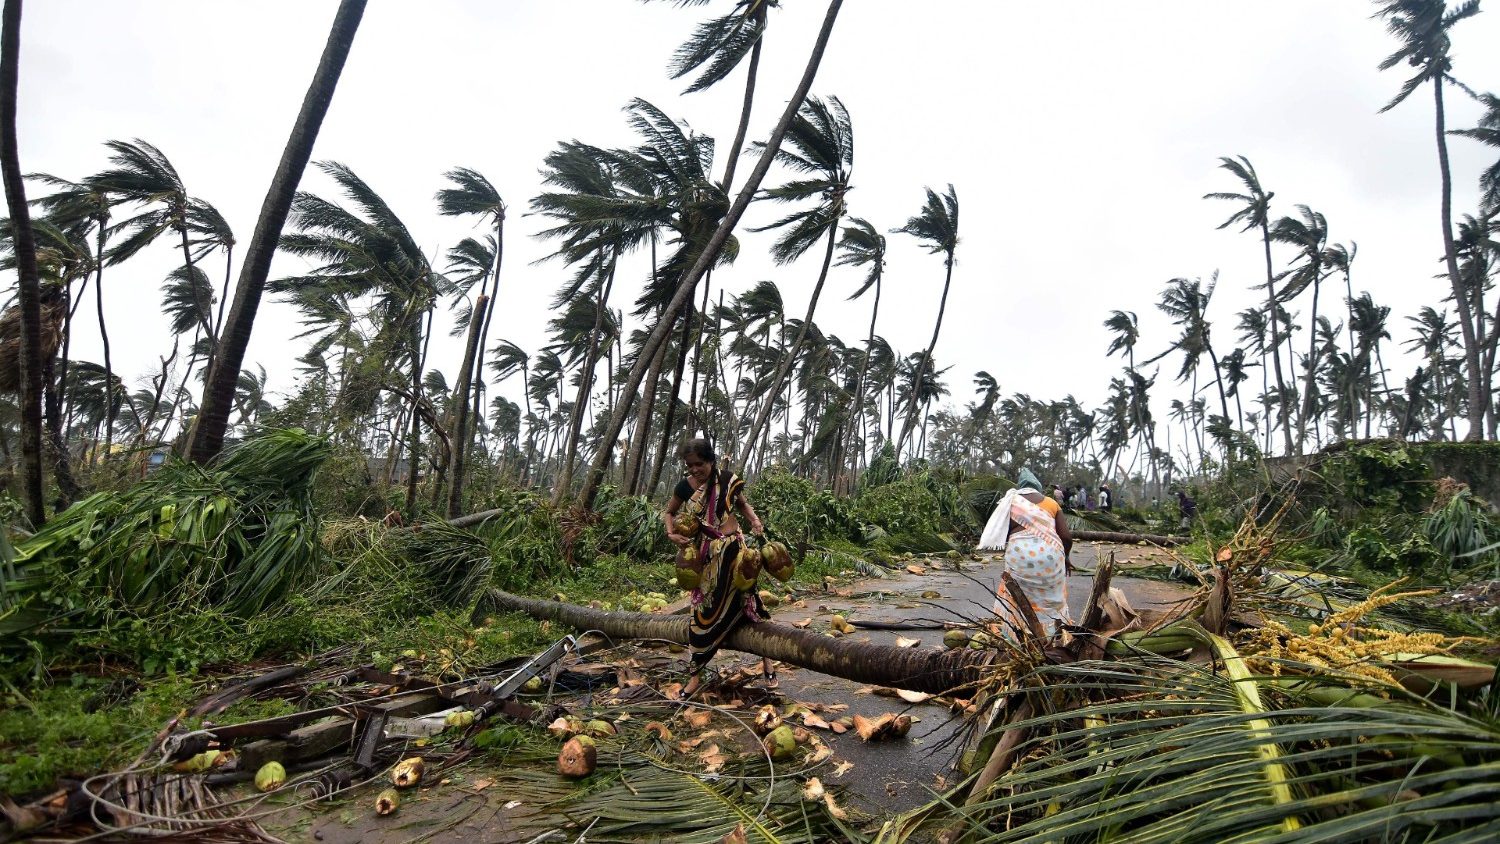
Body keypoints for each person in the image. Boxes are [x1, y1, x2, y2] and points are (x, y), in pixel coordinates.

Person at [664, 438, 773, 695]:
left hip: (735, 553)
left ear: (711, 461)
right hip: (707, 558)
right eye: (689, 466)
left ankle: (768, 661)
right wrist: (671, 534)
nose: (694, 470)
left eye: (698, 464)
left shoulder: (727, 479)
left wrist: (755, 522)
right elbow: (669, 513)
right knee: (701, 614)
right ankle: (695, 676)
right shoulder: (685, 487)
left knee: (750, 603)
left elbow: (743, 504)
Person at [977, 468, 1073, 636]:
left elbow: (1001, 531)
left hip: (1019, 554)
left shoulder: (1010, 502)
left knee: (1017, 595)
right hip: (1051, 556)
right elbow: (1066, 537)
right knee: (1052, 597)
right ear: (1037, 487)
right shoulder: (1052, 503)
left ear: (1020, 487)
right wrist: (1066, 558)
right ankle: (1054, 634)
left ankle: (1017, 634)